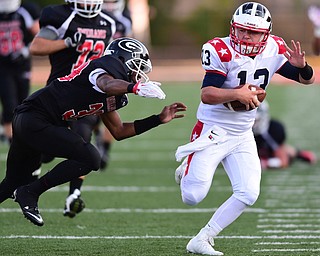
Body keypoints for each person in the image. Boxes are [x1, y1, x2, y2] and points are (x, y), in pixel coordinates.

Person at [174, 2, 315, 255]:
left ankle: (203, 238)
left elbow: (307, 80)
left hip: (242, 133)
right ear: (233, 28)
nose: (245, 36)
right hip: (213, 131)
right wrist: (235, 93)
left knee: (249, 193)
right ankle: (187, 167)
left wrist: (302, 66)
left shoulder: (274, 48)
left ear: (266, 34)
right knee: (192, 196)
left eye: (252, 32)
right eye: (240, 30)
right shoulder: (220, 49)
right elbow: (207, 94)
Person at [0, 37, 187, 227]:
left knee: (13, 182)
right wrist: (134, 88)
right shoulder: (103, 69)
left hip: (29, 121)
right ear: (122, 60)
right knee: (90, 157)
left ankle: (26, 190)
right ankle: (31, 192)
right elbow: (106, 84)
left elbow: (119, 131)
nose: (138, 74)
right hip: (36, 118)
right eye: (137, 66)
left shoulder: (114, 92)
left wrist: (158, 119)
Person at [29, 0, 118, 218]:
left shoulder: (108, 23)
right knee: (48, 152)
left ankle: (73, 196)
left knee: (83, 143)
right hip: (58, 94)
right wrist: (67, 42)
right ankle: (30, 173)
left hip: (87, 94)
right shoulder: (58, 15)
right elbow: (36, 47)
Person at [94, 0, 133, 170]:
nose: (109, 5)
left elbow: (130, 47)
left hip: (116, 72)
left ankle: (105, 149)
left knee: (111, 109)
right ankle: (98, 136)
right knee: (92, 113)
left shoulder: (123, 21)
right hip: (96, 71)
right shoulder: (97, 19)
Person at [0, 0, 40, 143]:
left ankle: (19, 135)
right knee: (9, 103)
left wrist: (26, 49)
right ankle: (13, 142)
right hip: (3, 66)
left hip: (22, 65)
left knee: (22, 104)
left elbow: (40, 35)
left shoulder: (25, 10)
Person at [253, 100, 317, 170]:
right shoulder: (244, 128)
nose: (254, 124)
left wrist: (264, 163)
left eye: (256, 120)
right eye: (253, 121)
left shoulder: (273, 129)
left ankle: (298, 154)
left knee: (285, 151)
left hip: (268, 153)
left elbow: (283, 162)